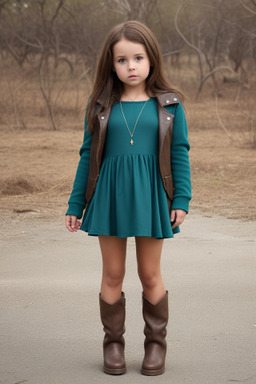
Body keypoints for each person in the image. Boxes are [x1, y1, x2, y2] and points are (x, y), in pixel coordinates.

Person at [65, 20, 191, 376]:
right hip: (109, 196)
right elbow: (88, 156)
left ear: (152, 59)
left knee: (150, 274)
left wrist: (181, 198)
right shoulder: (100, 104)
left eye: (138, 57)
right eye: (122, 60)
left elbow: (180, 152)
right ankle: (114, 346)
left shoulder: (169, 104)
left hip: (152, 196)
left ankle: (155, 346)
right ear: (112, 63)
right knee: (113, 273)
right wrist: (76, 204)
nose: (131, 66)